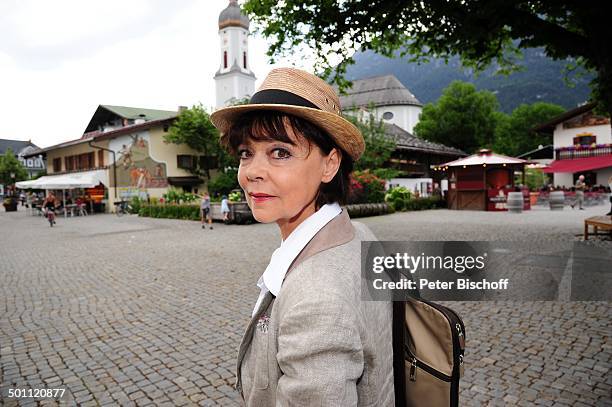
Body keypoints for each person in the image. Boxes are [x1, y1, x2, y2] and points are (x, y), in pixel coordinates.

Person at [210, 67, 394, 406]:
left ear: (330, 164)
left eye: (280, 152)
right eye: (246, 153)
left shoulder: (316, 297)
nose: (251, 172)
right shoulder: (359, 233)